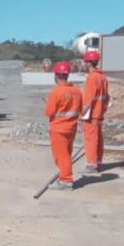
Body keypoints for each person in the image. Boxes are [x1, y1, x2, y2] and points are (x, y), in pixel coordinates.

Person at [44, 61, 83, 190]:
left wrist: (48, 104)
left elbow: (48, 112)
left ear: (56, 75)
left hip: (59, 129)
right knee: (66, 154)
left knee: (62, 156)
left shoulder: (56, 92)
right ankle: (64, 176)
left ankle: (66, 181)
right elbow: (80, 110)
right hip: (71, 127)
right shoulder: (77, 91)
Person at [82, 51, 110, 173]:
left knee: (91, 139)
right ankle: (98, 162)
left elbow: (88, 100)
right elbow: (106, 98)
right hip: (99, 114)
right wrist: (102, 110)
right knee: (98, 138)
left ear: (88, 63)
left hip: (91, 115)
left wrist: (82, 114)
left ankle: (92, 164)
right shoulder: (102, 77)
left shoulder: (92, 78)